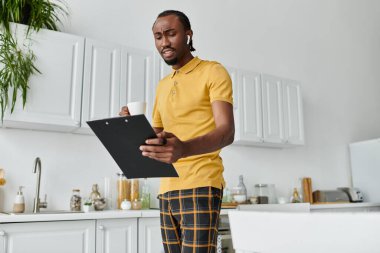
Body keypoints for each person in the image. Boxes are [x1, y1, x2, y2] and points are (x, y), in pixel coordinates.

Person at [120, 10, 234, 253]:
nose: (164, 43)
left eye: (171, 34)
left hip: (201, 184)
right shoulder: (163, 85)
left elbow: (226, 132)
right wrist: (131, 127)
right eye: (158, 37)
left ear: (188, 35)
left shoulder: (212, 71)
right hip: (168, 189)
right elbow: (156, 137)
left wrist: (184, 149)